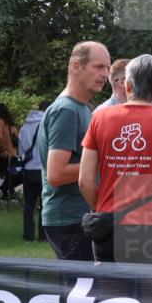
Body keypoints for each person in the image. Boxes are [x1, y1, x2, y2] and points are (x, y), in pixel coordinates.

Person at [79, 54, 152, 265]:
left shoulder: (100, 117)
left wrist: (101, 208)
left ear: (127, 85)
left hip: (108, 225)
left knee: (109, 296)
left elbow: (85, 180)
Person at [38, 41, 111, 260]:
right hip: (69, 220)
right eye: (98, 67)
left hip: (79, 218)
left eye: (107, 68)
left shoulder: (81, 108)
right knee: (84, 292)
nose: (105, 74)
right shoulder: (67, 110)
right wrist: (103, 161)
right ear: (76, 66)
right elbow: (56, 174)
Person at [18, 100, 49, 242]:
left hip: (29, 170)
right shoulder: (48, 125)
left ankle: (28, 236)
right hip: (43, 168)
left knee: (29, 206)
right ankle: (43, 236)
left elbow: (21, 151)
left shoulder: (24, 127)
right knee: (45, 205)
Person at [0, 102, 19, 200]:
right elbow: (17, 138)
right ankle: (11, 193)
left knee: (3, 176)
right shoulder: (11, 123)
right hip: (13, 154)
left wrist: (3, 149)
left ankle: (5, 194)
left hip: (3, 154)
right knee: (11, 176)